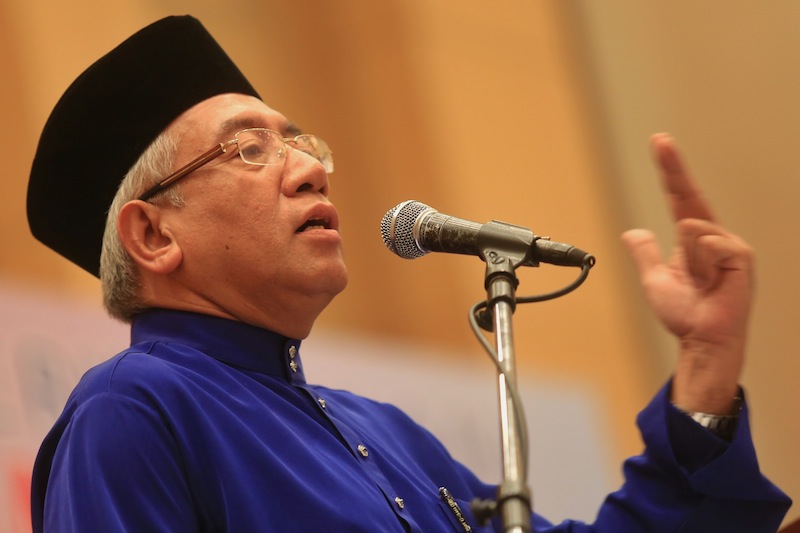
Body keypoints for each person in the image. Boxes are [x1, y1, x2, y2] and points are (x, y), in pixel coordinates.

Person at [26, 15, 790, 532]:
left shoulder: (379, 430)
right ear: (154, 233)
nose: (310, 170)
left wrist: (703, 371)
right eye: (249, 149)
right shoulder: (133, 410)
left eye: (302, 143)